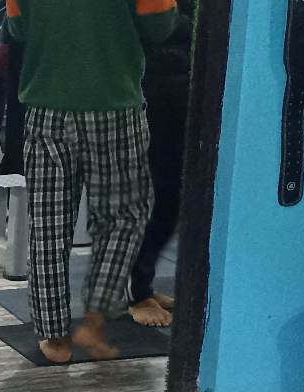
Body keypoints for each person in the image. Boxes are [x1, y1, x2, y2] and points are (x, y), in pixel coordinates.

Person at [7, 0, 181, 364]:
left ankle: (54, 336)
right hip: (114, 105)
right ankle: (98, 316)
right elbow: (160, 26)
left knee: (50, 226)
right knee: (124, 218)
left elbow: (18, 29)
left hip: (46, 106)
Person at [127, 5, 195, 328]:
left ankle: (142, 285)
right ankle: (136, 292)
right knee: (148, 193)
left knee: (170, 194)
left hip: (179, 81)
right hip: (145, 84)